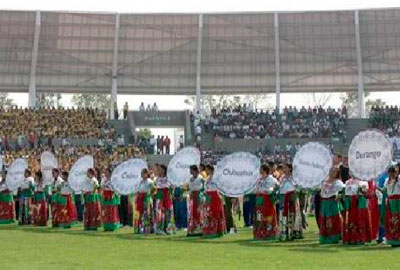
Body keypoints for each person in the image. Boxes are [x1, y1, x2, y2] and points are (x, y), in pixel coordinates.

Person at [318, 167, 345, 244]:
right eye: (331, 171)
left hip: (332, 202)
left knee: (334, 219)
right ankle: (324, 237)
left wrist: (339, 196)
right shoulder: (324, 181)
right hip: (324, 202)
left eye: (334, 171)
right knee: (324, 219)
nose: (332, 173)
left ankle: (335, 237)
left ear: (337, 173)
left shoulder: (338, 182)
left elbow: (344, 190)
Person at [253, 164, 279, 240]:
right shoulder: (259, 179)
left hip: (268, 201)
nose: (259, 170)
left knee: (268, 216)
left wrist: (272, 192)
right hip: (259, 200)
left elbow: (277, 186)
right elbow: (256, 187)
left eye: (261, 169)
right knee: (259, 216)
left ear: (264, 170)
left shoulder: (271, 179)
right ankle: (260, 233)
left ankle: (270, 233)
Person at [342, 177, 372, 245]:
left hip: (360, 203)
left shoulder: (363, 182)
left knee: (360, 220)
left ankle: (361, 238)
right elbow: (346, 193)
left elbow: (366, 193)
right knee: (351, 220)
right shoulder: (347, 182)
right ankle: (350, 238)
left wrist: (362, 190)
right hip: (350, 203)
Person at [278, 163, 303, 240]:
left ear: (290, 169)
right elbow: (280, 187)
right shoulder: (282, 178)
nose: (284, 170)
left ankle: (294, 233)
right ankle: (284, 233)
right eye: (283, 168)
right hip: (283, 197)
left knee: (294, 214)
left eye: (286, 168)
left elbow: (298, 187)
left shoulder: (294, 177)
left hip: (292, 197)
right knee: (283, 215)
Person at [201, 165, 226, 238]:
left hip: (215, 196)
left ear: (211, 170)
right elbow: (205, 188)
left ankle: (217, 230)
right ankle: (209, 230)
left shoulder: (216, 178)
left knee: (215, 213)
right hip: (208, 196)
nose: (206, 171)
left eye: (207, 170)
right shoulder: (207, 179)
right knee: (208, 213)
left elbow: (219, 187)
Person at [154, 165, 174, 234]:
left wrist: (171, 190)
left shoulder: (168, 178)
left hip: (167, 196)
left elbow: (171, 186)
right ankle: (159, 228)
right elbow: (155, 187)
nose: (158, 171)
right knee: (159, 212)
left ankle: (168, 228)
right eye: (158, 169)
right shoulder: (156, 179)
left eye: (160, 169)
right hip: (160, 196)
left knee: (168, 212)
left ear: (164, 170)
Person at [185, 165, 204, 236]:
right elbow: (189, 188)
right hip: (192, 196)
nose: (190, 171)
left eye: (191, 170)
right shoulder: (190, 179)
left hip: (199, 196)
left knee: (199, 212)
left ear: (194, 170)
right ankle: (193, 228)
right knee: (192, 212)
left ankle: (200, 227)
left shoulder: (201, 178)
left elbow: (204, 187)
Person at [134, 168, 155, 234]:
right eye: (142, 173)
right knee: (140, 213)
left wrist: (150, 195)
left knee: (147, 213)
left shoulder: (150, 181)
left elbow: (154, 190)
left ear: (147, 174)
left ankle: (149, 228)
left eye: (144, 173)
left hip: (147, 198)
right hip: (140, 198)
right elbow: (137, 190)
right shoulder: (140, 182)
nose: (143, 175)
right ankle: (139, 227)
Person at [384, 166, 400, 247]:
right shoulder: (387, 180)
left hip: (398, 200)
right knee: (391, 220)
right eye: (389, 174)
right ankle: (392, 240)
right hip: (390, 201)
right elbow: (385, 190)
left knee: (398, 218)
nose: (391, 175)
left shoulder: (399, 179)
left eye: (392, 173)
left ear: (396, 172)